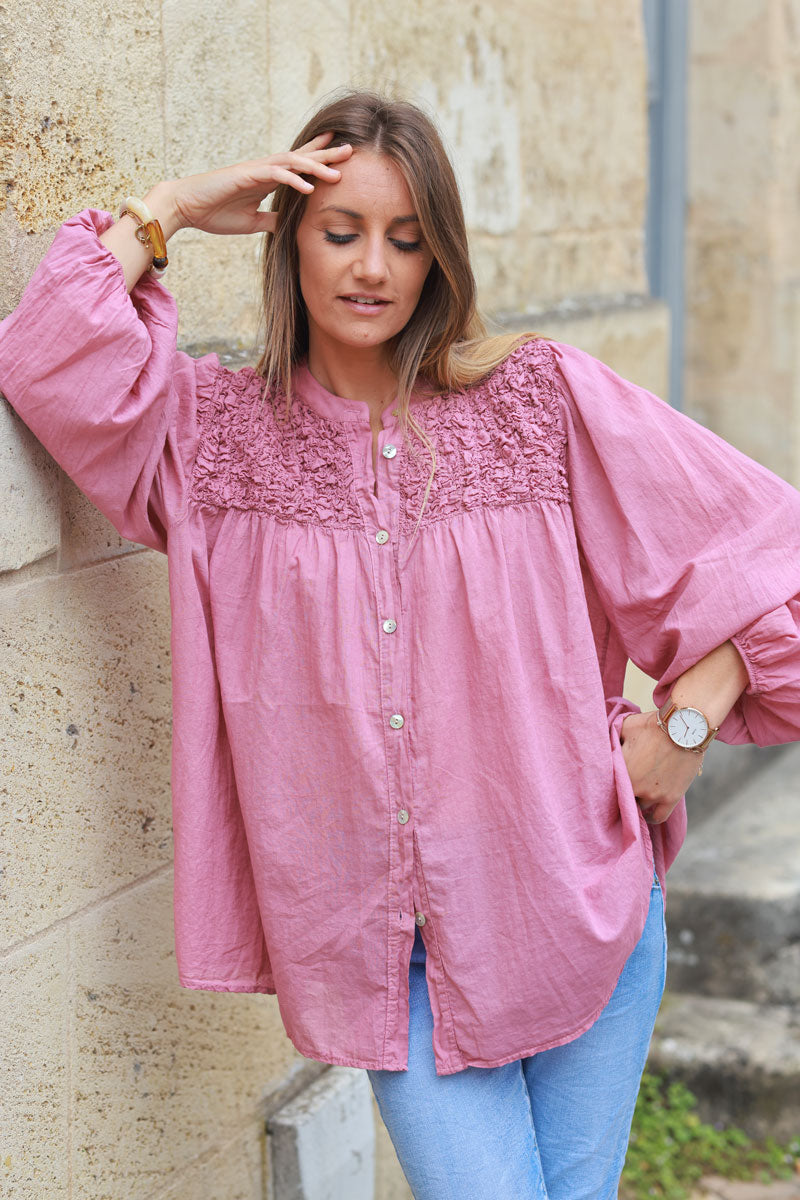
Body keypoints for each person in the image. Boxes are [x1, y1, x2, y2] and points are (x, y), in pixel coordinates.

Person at [1, 88, 799, 1200]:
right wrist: (173, 205)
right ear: (291, 243)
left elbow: (770, 555)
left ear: (440, 261)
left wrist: (682, 725)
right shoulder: (212, 444)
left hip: (581, 912)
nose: (371, 266)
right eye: (340, 232)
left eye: (406, 239)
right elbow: (49, 361)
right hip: (395, 971)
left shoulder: (538, 404)